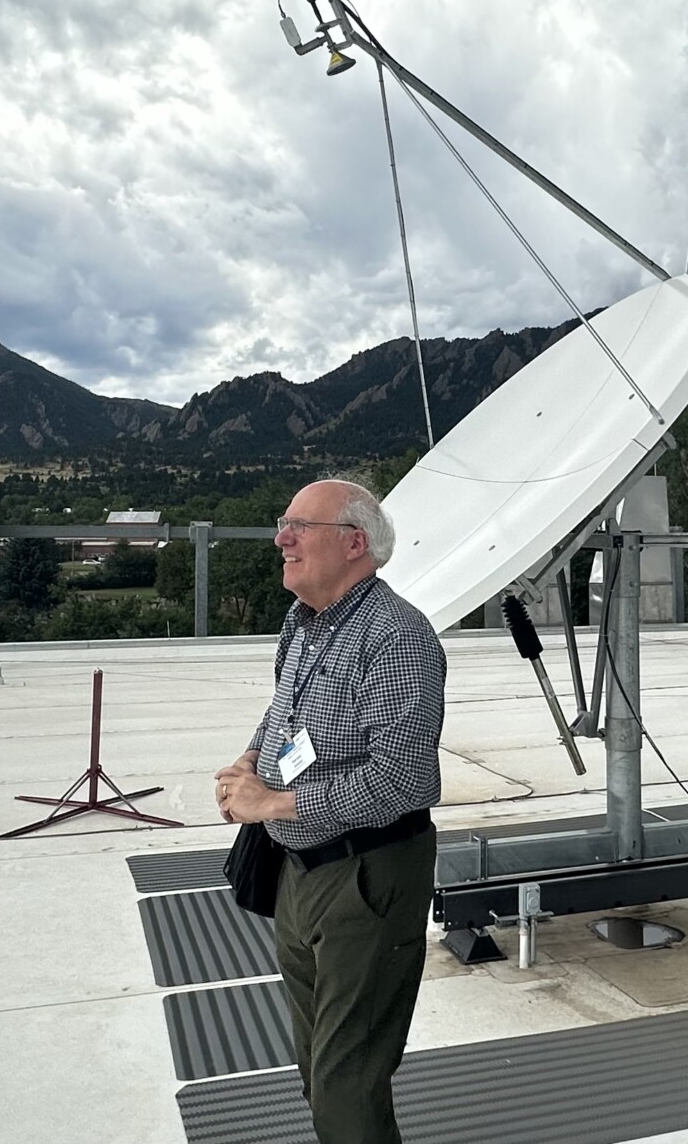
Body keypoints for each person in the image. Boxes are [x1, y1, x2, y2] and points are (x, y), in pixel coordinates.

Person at [214, 478, 444, 1144]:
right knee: (318, 1066)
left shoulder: (398, 637)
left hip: (365, 876)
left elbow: (403, 780)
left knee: (348, 1081)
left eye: (298, 527)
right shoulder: (304, 623)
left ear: (353, 543)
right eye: (282, 524)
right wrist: (251, 759)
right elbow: (286, 708)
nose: (281, 539)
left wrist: (274, 800)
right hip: (300, 869)